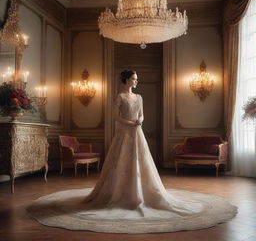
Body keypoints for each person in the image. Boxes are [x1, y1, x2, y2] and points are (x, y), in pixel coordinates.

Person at [28, 70, 237, 234]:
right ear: (127, 79)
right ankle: (121, 193)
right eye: (134, 78)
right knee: (120, 163)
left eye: (137, 79)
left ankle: (142, 193)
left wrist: (140, 121)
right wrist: (129, 122)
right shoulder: (120, 96)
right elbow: (114, 117)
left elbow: (143, 114)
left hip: (137, 132)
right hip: (125, 133)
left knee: (142, 162)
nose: (137, 81)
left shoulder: (139, 97)